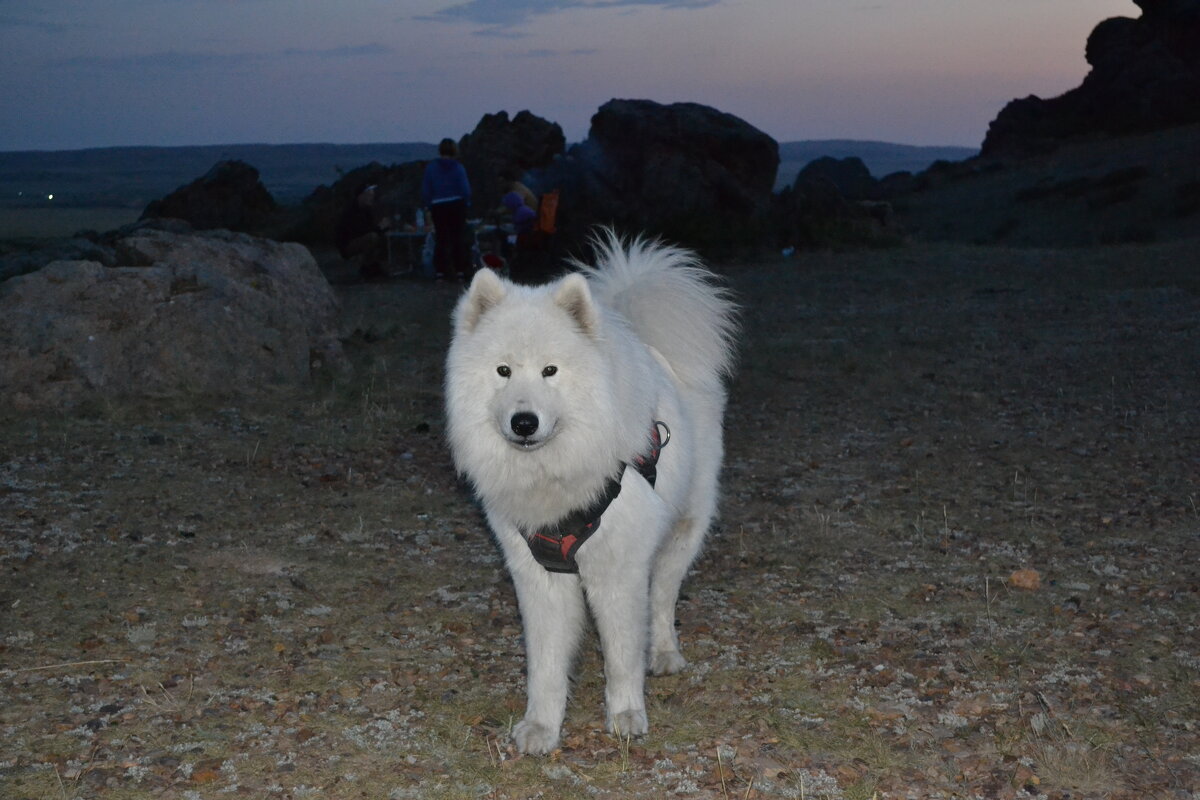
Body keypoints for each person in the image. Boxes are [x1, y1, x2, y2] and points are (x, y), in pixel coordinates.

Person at [421, 138, 472, 281]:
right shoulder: (458, 167)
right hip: (457, 204)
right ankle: (460, 270)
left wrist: (429, 205)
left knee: (442, 238)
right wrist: (467, 203)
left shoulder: (431, 168)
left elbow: (426, 189)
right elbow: (465, 189)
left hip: (438, 205)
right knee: (458, 238)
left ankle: (440, 272)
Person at [335, 183, 390, 281]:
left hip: (359, 238)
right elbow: (361, 231)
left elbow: (370, 228)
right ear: (361, 196)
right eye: (369, 195)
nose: (372, 197)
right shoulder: (352, 211)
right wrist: (379, 227)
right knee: (372, 238)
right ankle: (366, 267)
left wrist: (384, 227)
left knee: (381, 237)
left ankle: (375, 265)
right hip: (348, 244)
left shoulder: (366, 210)